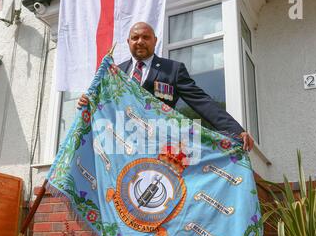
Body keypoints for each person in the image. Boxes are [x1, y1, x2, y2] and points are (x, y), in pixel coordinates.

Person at [78, 22, 254, 152]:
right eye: (135, 37)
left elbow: (201, 101)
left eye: (145, 37)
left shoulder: (173, 70)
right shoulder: (114, 72)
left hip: (158, 145)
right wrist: (87, 102)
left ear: (155, 41)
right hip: (120, 147)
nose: (140, 41)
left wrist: (235, 130)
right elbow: (104, 105)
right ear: (128, 41)